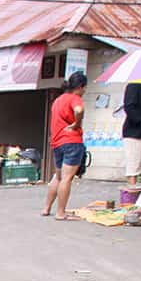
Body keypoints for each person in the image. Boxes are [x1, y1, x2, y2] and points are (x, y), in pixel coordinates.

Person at [42, 71, 87, 221]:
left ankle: (46, 208)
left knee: (58, 177)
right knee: (67, 178)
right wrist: (76, 123)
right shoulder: (75, 98)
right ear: (80, 87)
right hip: (71, 142)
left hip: (57, 143)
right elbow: (79, 110)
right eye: (84, 88)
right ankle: (60, 212)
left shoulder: (58, 100)